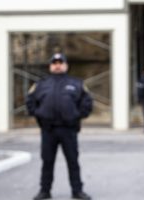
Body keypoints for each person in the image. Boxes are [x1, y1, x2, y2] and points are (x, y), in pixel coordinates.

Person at [26, 53, 93, 200]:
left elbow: (87, 102)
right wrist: (39, 114)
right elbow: (30, 101)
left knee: (73, 161)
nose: (57, 65)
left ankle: (77, 191)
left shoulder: (76, 83)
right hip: (48, 130)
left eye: (60, 62)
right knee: (47, 161)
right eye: (54, 63)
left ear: (66, 65)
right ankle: (45, 191)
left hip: (68, 129)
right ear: (50, 66)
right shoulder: (41, 85)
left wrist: (76, 115)